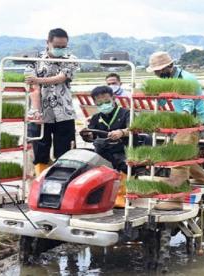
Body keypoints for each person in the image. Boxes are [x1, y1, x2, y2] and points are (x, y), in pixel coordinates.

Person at [146, 52, 204, 209]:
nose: (157, 73)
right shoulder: (167, 79)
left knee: (178, 156)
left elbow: (188, 102)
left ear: (169, 66)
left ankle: (175, 200)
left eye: (159, 70)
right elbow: (162, 100)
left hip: (194, 120)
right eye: (155, 71)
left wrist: (183, 117)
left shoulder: (186, 80)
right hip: (183, 121)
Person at [26, 28, 79, 176]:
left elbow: (62, 77)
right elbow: (33, 87)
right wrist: (36, 111)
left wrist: (39, 79)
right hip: (41, 111)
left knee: (65, 152)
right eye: (57, 46)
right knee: (39, 148)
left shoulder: (71, 59)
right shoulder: (34, 60)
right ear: (48, 42)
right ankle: (40, 181)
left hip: (64, 112)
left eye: (63, 46)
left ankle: (63, 182)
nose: (60, 49)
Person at [81, 86, 130, 207]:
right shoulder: (96, 118)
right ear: (95, 103)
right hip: (103, 151)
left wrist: (122, 132)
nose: (104, 105)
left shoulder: (126, 113)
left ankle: (121, 196)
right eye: (100, 103)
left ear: (113, 98)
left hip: (123, 148)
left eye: (107, 101)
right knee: (91, 164)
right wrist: (87, 135)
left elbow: (133, 129)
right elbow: (92, 135)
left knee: (122, 163)